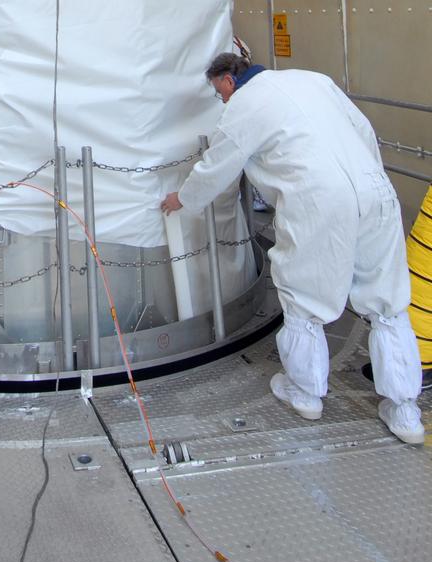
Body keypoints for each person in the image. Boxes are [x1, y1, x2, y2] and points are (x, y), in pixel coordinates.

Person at [160, 53, 425, 445]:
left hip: (318, 200)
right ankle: (405, 412)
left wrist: (183, 199)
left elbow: (217, 165)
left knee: (304, 297)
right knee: (387, 303)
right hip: (375, 189)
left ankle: (305, 393)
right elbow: (364, 130)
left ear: (229, 81)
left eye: (220, 94)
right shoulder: (315, 79)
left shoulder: (246, 104)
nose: (223, 101)